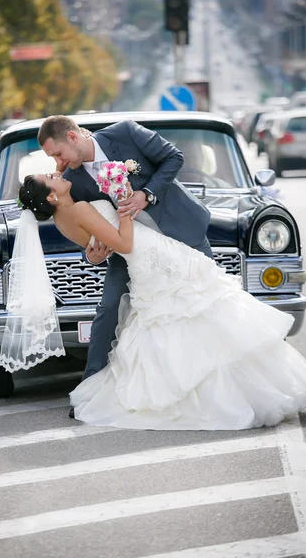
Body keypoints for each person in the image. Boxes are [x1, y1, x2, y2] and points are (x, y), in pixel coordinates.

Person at [15, 172, 306, 430]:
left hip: (147, 259)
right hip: (148, 256)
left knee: (180, 319)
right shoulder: (77, 208)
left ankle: (203, 388)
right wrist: (123, 205)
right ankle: (231, 392)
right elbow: (124, 242)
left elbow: (98, 245)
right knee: (199, 311)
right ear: (52, 196)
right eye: (51, 179)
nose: (56, 173)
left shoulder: (61, 219)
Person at [37, 116, 213, 418]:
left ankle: (212, 377)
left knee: (207, 301)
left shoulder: (126, 132)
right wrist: (90, 257)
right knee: (107, 310)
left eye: (57, 153)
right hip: (131, 253)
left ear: (72, 137)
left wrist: (146, 194)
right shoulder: (72, 183)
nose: (58, 162)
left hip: (182, 232)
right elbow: (85, 230)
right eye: (53, 158)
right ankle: (90, 392)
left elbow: (174, 157)